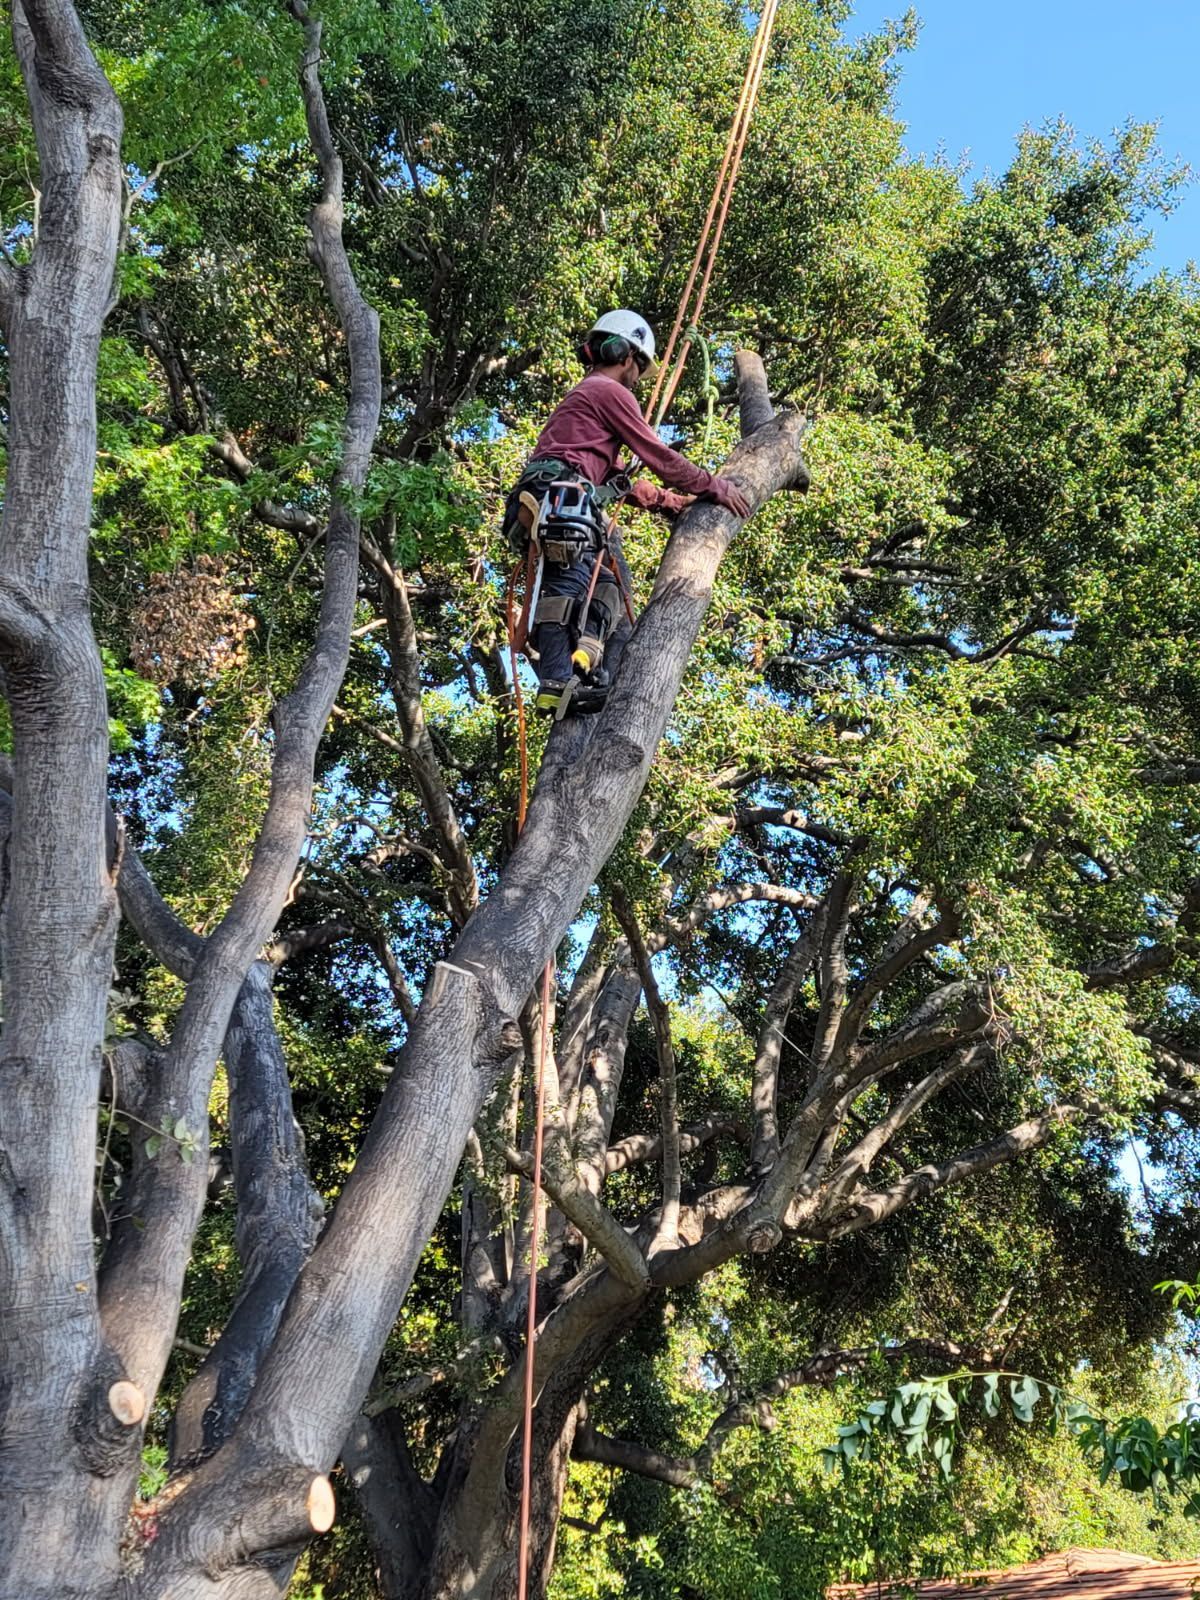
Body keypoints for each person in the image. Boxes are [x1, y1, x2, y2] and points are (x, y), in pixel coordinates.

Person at [504, 309, 752, 717]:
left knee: (608, 586)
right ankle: (555, 682)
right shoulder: (608, 391)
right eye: (639, 367)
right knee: (568, 585)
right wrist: (714, 486)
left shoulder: (588, 400)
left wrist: (671, 504)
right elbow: (657, 455)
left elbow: (621, 479)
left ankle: (583, 661)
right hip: (559, 498)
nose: (639, 377)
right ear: (625, 354)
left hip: (558, 497)